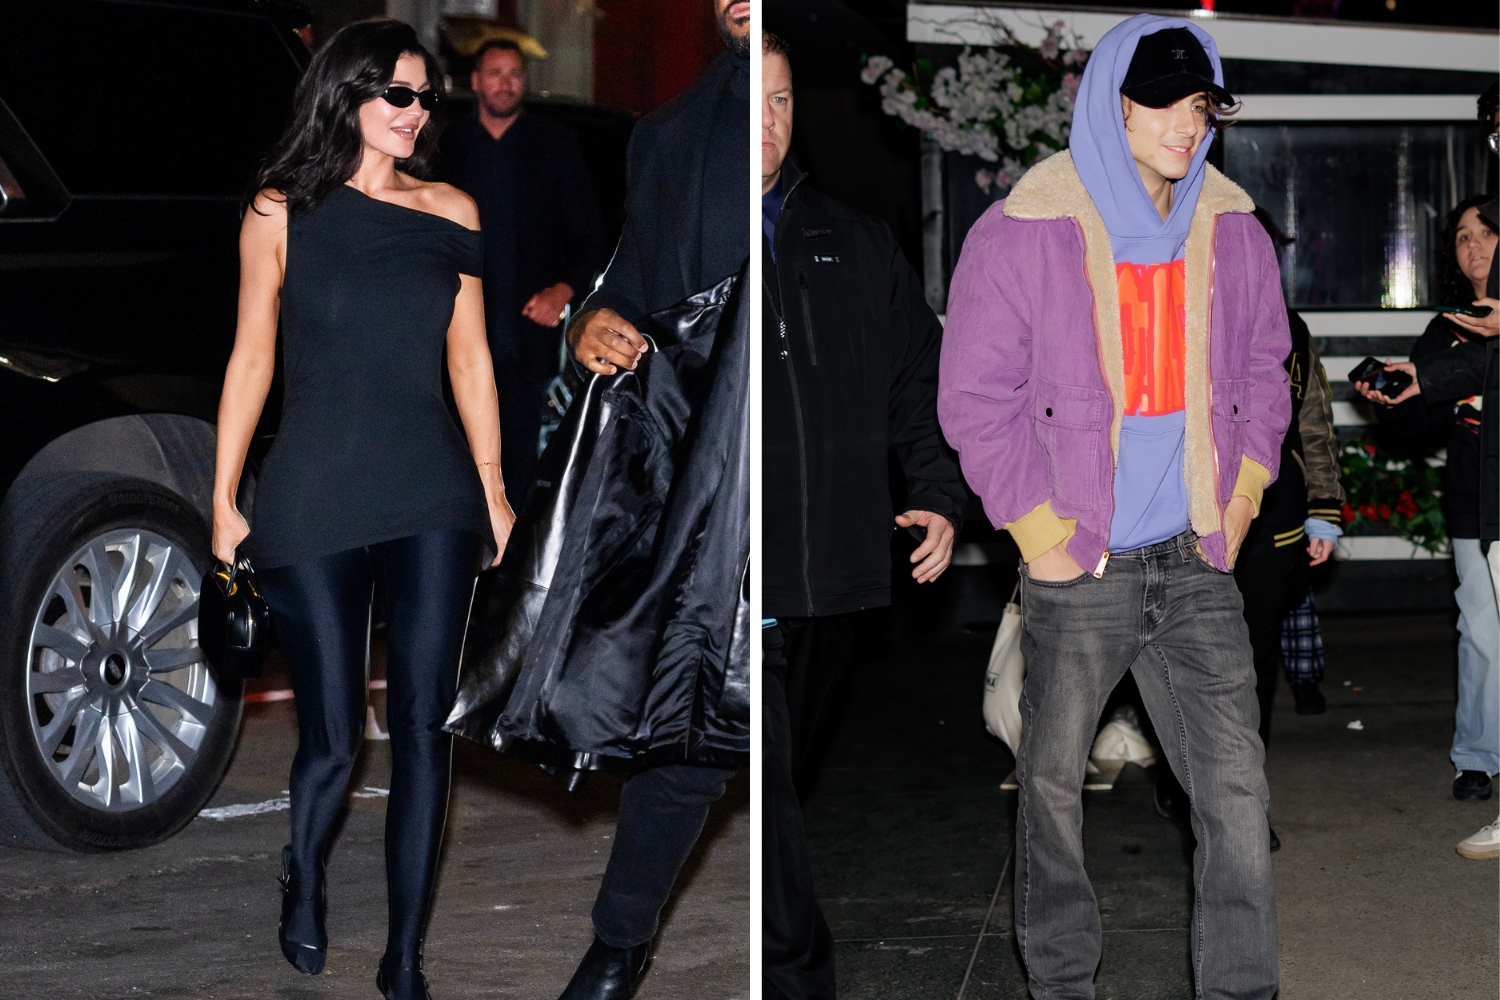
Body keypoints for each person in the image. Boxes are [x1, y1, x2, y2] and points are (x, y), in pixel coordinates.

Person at [938, 16, 1290, 999]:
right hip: (1080, 563)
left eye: (1201, 104)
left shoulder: (1234, 230)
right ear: (1113, 102)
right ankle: (1063, 988)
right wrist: (1041, 534)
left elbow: (1268, 373)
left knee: (1235, 795)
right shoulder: (1026, 229)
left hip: (1195, 560)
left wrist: (1244, 493)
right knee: (1050, 800)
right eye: (1165, 101)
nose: (1186, 123)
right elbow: (975, 396)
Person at [211, 21, 514, 1000]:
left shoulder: (452, 210)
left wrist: (495, 484)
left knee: (426, 722)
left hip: (431, 485)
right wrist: (222, 496)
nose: (413, 110)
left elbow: (470, 357)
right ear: (345, 93)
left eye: (424, 96)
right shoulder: (280, 209)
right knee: (335, 734)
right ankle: (304, 875)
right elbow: (252, 356)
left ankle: (406, 957)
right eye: (394, 92)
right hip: (315, 487)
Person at [758, 31, 969, 1000]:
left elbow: (914, 379)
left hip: (837, 566)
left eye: (784, 98)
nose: (767, 121)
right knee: (762, 781)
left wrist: (932, 494)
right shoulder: (685, 235)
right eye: (750, 100)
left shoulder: (853, 237)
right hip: (734, 567)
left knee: (778, 782)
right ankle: (800, 972)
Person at [547, 2, 749, 996]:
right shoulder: (667, 133)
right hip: (705, 476)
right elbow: (628, 278)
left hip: (808, 479)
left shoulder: (819, 130)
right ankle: (621, 940)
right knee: (691, 717)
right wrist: (591, 322)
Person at [1156, 208, 1345, 843]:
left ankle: (1240, 801)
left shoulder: (1288, 327)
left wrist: (1325, 506)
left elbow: (1312, 421)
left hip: (1274, 520)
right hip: (1182, 512)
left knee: (1251, 662)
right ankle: (1187, 779)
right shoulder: (1171, 312)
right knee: (1182, 656)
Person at [1356, 79, 1499, 861]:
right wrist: (1385, 393)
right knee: (1480, 629)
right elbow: (1417, 422)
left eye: (1485, 234)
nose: (1473, 249)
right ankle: (1478, 756)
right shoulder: (1444, 329)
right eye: (1461, 239)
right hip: (1477, 491)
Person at [439, 39, 608, 507]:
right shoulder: (446, 146)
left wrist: (563, 290)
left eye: (515, 73)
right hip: (456, 335)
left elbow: (590, 234)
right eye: (494, 72)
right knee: (455, 461)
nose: (506, 83)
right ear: (474, 81)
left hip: (530, 338)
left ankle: (515, 570)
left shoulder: (554, 145)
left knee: (526, 468)